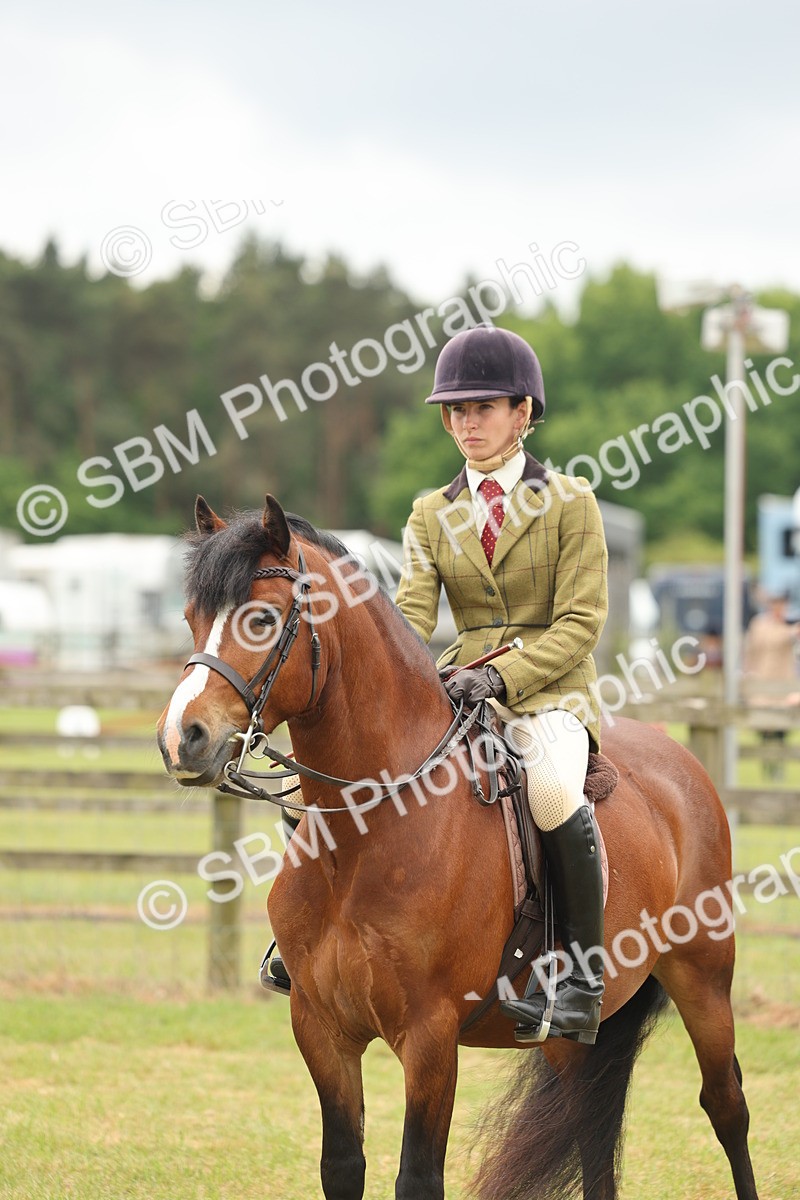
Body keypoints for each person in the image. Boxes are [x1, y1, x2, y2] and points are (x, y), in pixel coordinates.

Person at [394, 323, 609, 1044]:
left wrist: (506, 678)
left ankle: (580, 976)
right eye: (454, 411)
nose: (465, 424)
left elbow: (580, 623)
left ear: (523, 413)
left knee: (549, 789)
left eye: (481, 408)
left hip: (552, 690)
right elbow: (412, 617)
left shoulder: (572, 502)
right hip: (459, 688)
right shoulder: (431, 514)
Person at [742, 593, 800, 781]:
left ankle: (777, 769)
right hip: (762, 684)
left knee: (781, 731)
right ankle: (767, 768)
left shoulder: (789, 624)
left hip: (783, 686)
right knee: (765, 730)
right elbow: (754, 649)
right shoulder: (760, 625)